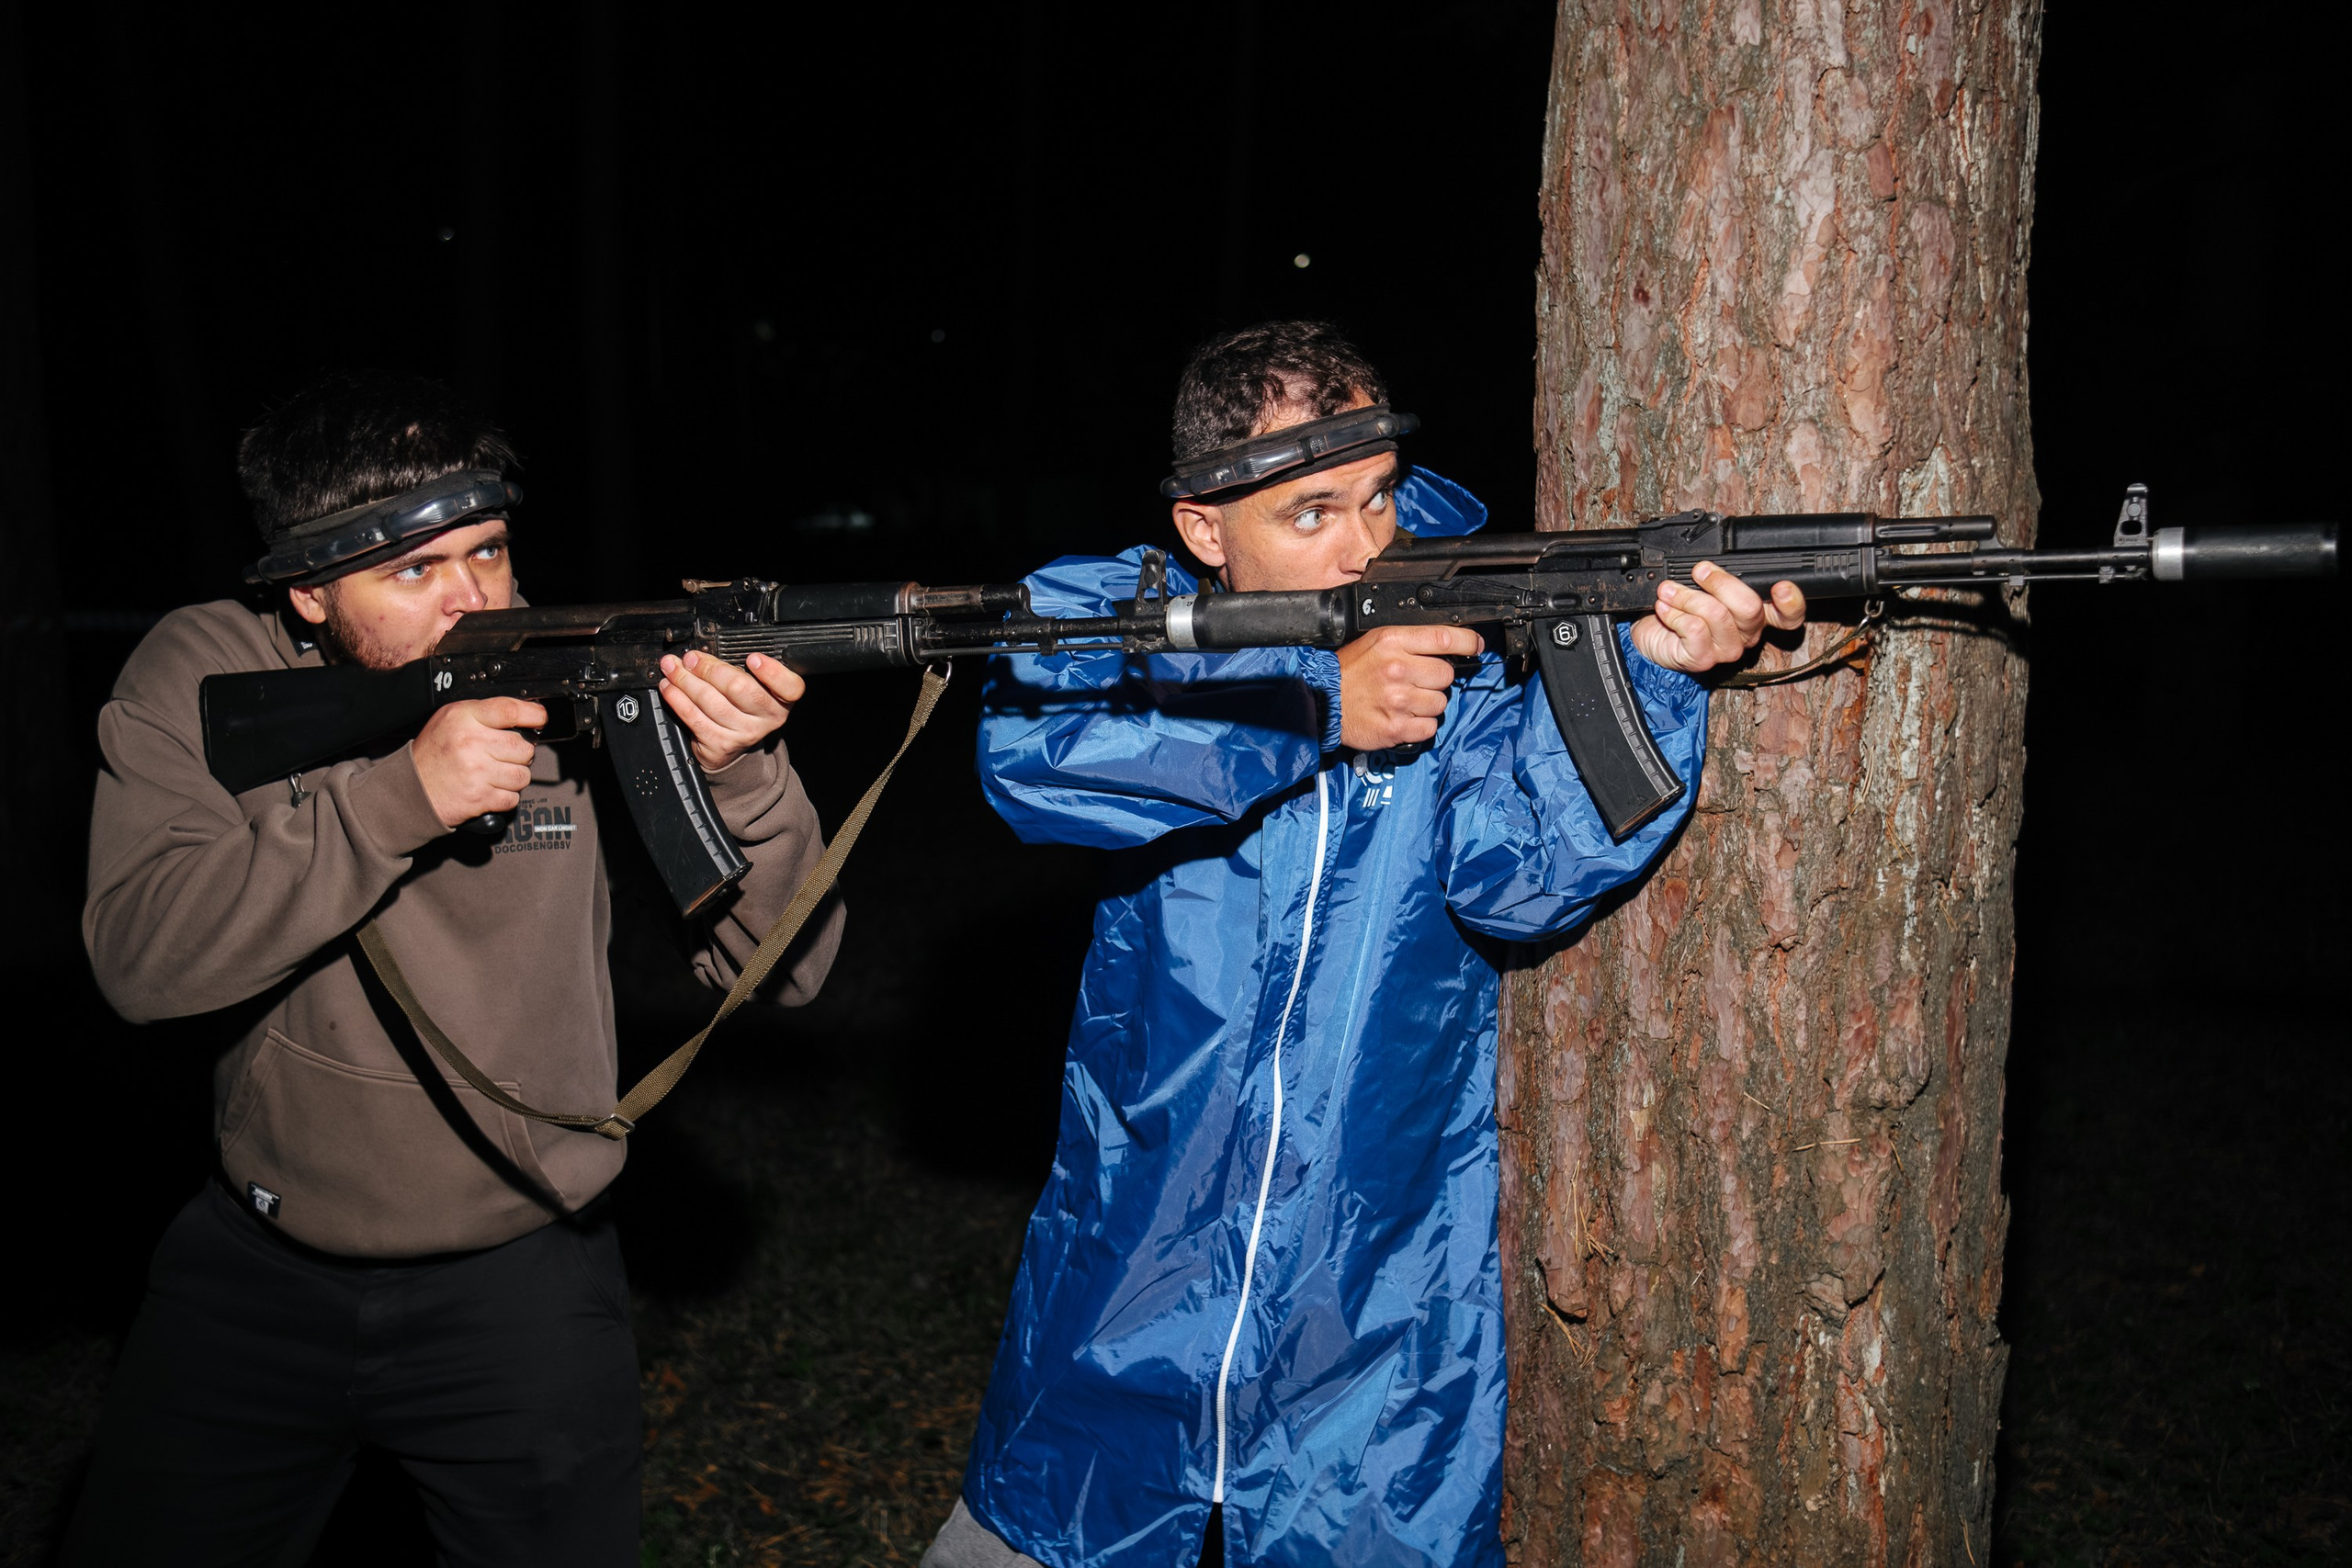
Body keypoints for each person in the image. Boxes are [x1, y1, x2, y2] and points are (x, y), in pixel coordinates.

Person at [925, 322, 1805, 1568]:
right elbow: (1032, 757)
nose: (1366, 542)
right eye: (1313, 512)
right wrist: (1314, 704)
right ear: (1204, 532)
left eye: (1380, 497)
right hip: (1115, 1316)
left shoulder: (1463, 643)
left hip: (1379, 1351)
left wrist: (1659, 671)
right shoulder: (1130, 623)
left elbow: (1517, 883)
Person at [63, 370, 843, 1566]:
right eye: (414, 571)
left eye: (487, 551)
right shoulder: (205, 668)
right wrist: (398, 802)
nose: (475, 600)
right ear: (311, 592)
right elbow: (138, 956)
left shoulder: (566, 671)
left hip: (522, 1282)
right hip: (257, 1273)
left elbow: (782, 980)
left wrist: (744, 777)